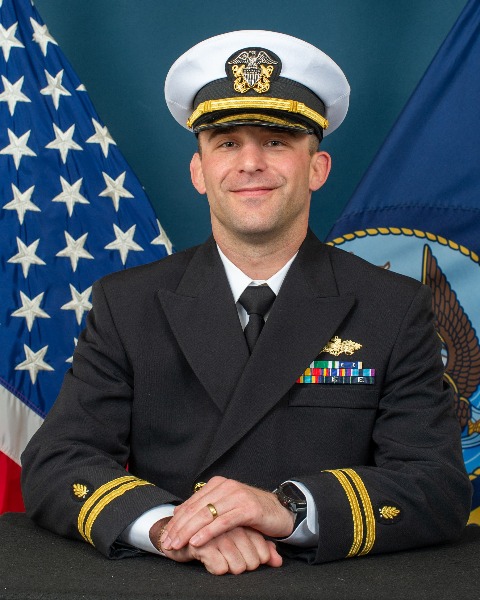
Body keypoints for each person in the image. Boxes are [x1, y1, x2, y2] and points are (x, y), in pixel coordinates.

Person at [21, 30, 472, 576]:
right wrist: (169, 527)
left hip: (326, 583)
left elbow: (435, 483)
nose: (251, 162)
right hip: (172, 580)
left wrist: (288, 509)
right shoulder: (128, 304)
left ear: (317, 168)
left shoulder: (392, 307)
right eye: (227, 143)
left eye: (276, 142)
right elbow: (58, 461)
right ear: (199, 172)